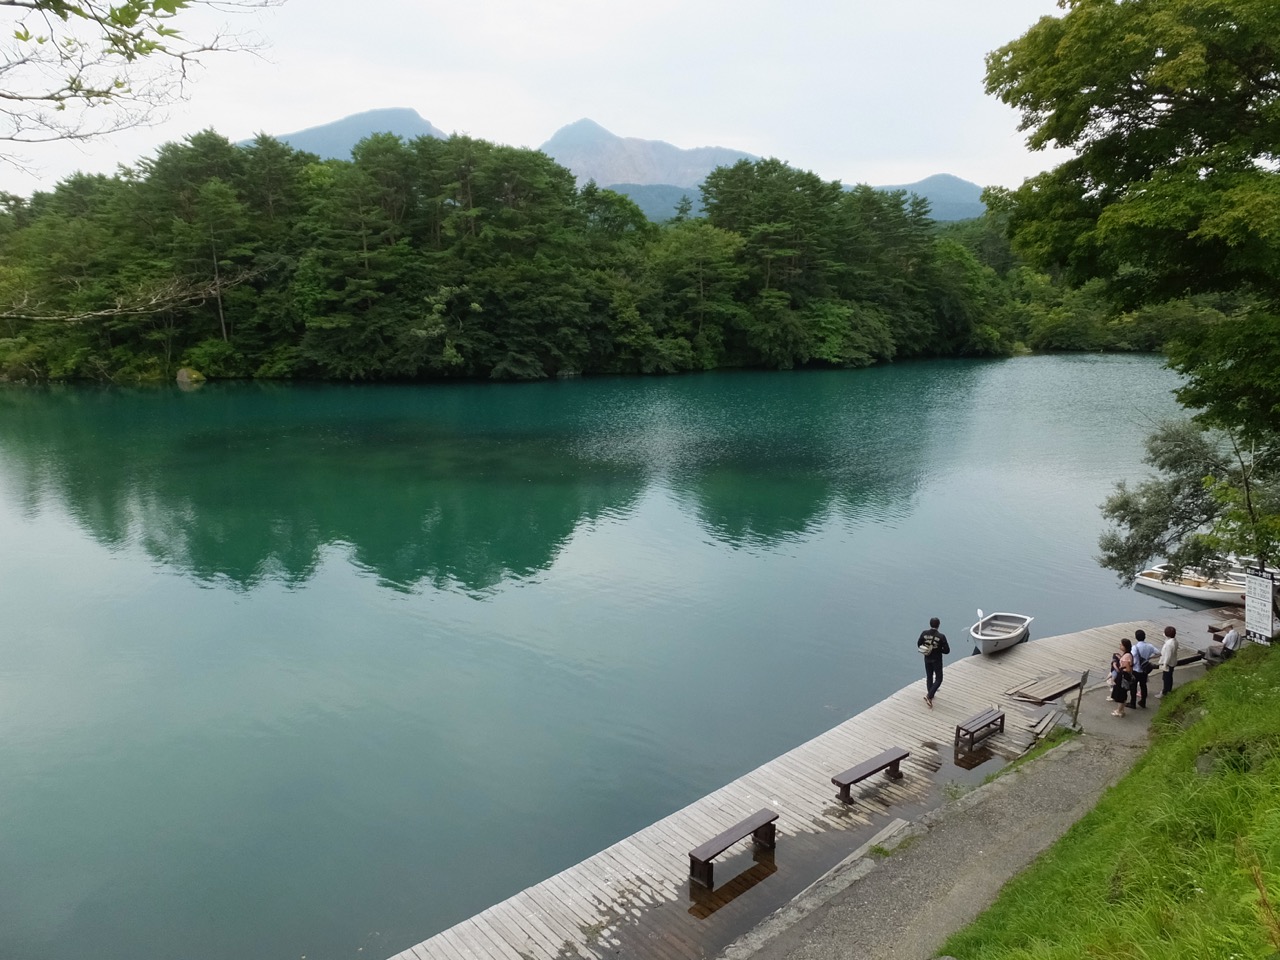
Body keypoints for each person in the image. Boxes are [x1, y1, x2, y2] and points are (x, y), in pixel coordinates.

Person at [917, 617, 950, 709]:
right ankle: (929, 696)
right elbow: (947, 650)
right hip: (937, 660)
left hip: (927, 658)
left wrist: (927, 649)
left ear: (930, 624)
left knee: (929, 676)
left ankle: (930, 693)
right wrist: (939, 650)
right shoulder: (941, 636)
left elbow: (919, 644)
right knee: (939, 679)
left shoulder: (924, 633)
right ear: (939, 625)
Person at [1130, 629, 1160, 708]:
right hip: (1144, 670)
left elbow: (1132, 657)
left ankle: (1132, 703)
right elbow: (1159, 653)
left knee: (1133, 686)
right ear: (1144, 637)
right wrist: (1150, 657)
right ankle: (1143, 702)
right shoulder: (1149, 646)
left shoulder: (1135, 647)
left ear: (1136, 637)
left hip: (1136, 669)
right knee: (1143, 686)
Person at [1111, 638, 1134, 717]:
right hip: (1125, 676)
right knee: (1123, 693)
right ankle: (1121, 710)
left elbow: (1128, 669)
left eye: (1121, 645)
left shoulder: (1127, 656)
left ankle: (1119, 711)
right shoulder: (1128, 654)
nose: (1120, 646)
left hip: (1123, 676)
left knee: (1120, 693)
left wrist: (1120, 667)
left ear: (1125, 646)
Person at [1157, 625, 1178, 698]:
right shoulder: (1174, 641)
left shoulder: (1169, 644)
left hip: (1168, 663)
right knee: (1169, 677)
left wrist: (1165, 664)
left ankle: (1164, 692)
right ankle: (1168, 690)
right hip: (1172, 662)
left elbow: (1168, 655)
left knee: (1166, 678)